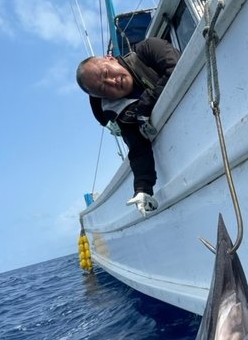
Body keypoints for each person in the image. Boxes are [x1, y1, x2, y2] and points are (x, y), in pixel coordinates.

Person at [76, 37, 181, 217]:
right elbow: (138, 149)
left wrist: (147, 102)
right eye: (102, 88)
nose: (111, 82)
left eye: (105, 73)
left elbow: (177, 68)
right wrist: (142, 188)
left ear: (110, 58)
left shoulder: (149, 49)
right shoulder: (123, 115)